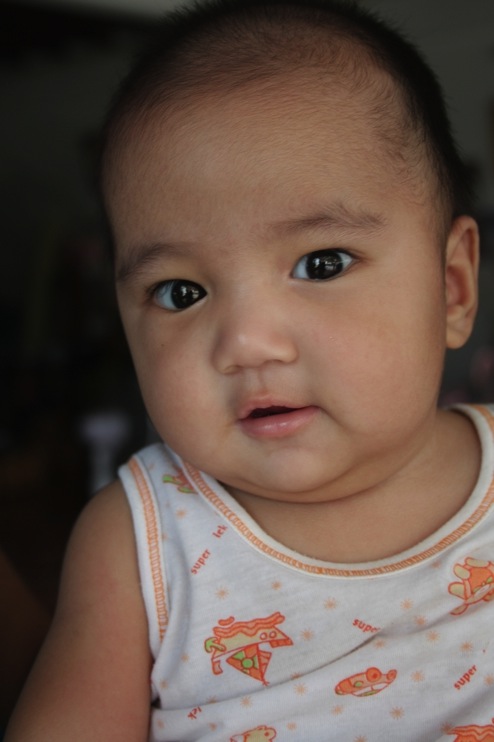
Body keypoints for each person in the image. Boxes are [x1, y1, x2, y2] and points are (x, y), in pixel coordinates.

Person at [6, 0, 492, 739]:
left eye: (321, 264)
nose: (246, 345)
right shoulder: (142, 542)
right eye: (181, 293)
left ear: (451, 288)